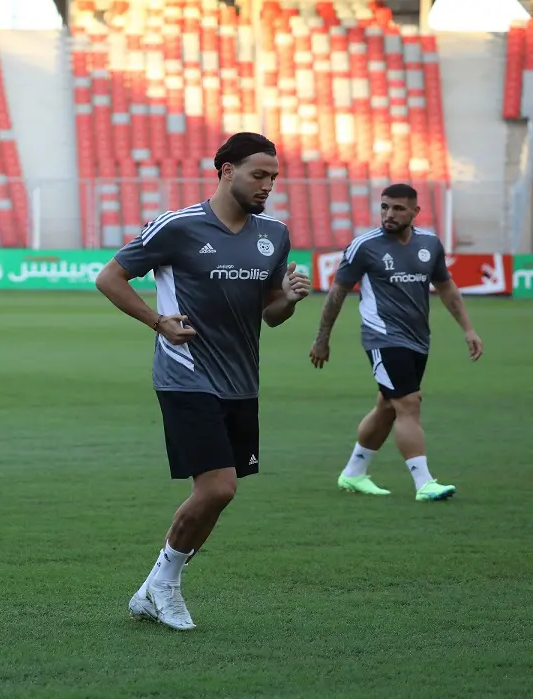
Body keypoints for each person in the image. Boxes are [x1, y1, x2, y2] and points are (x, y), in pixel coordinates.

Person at [94, 133, 311, 631]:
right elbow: (110, 278)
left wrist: (291, 298)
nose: (268, 185)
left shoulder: (273, 234)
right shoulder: (178, 226)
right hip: (185, 373)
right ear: (226, 170)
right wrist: (157, 321)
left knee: (222, 491)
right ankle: (165, 586)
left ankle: (154, 589)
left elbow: (270, 315)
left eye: (274, 177)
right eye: (259, 174)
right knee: (218, 487)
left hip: (242, 381)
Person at [309, 183, 480, 501]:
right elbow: (336, 294)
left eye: (398, 208)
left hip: (418, 340)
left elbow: (446, 288)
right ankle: (424, 482)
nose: (389, 214)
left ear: (415, 212)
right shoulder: (365, 246)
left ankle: (354, 473)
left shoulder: (430, 243)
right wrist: (322, 339)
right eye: (385, 207)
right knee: (408, 404)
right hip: (382, 338)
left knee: (388, 407)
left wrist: (468, 330)